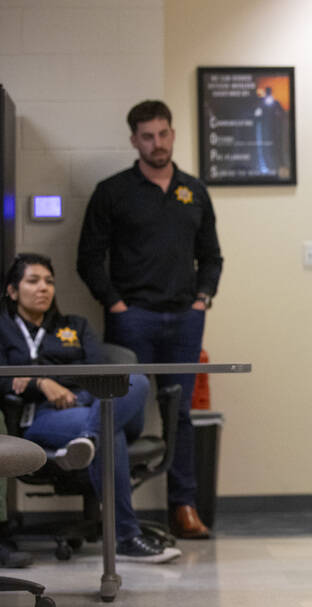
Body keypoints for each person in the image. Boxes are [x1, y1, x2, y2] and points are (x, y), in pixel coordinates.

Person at [78, 99, 223, 539]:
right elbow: (88, 258)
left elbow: (212, 256)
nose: (156, 144)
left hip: (184, 318)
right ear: (133, 140)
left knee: (178, 413)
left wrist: (203, 298)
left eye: (163, 134)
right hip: (131, 320)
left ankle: (184, 506)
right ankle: (118, 512)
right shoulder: (112, 191)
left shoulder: (193, 190)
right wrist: (116, 305)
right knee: (126, 410)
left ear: (173, 134)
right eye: (147, 136)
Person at [0, 253, 181, 563]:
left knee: (135, 379)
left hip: (94, 403)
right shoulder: (3, 331)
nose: (43, 288)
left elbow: (98, 371)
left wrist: (41, 376)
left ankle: (89, 437)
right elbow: (4, 379)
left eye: (49, 282)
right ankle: (127, 537)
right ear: (13, 291)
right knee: (111, 432)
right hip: (43, 417)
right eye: (33, 281)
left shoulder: (75, 326)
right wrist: (42, 386)